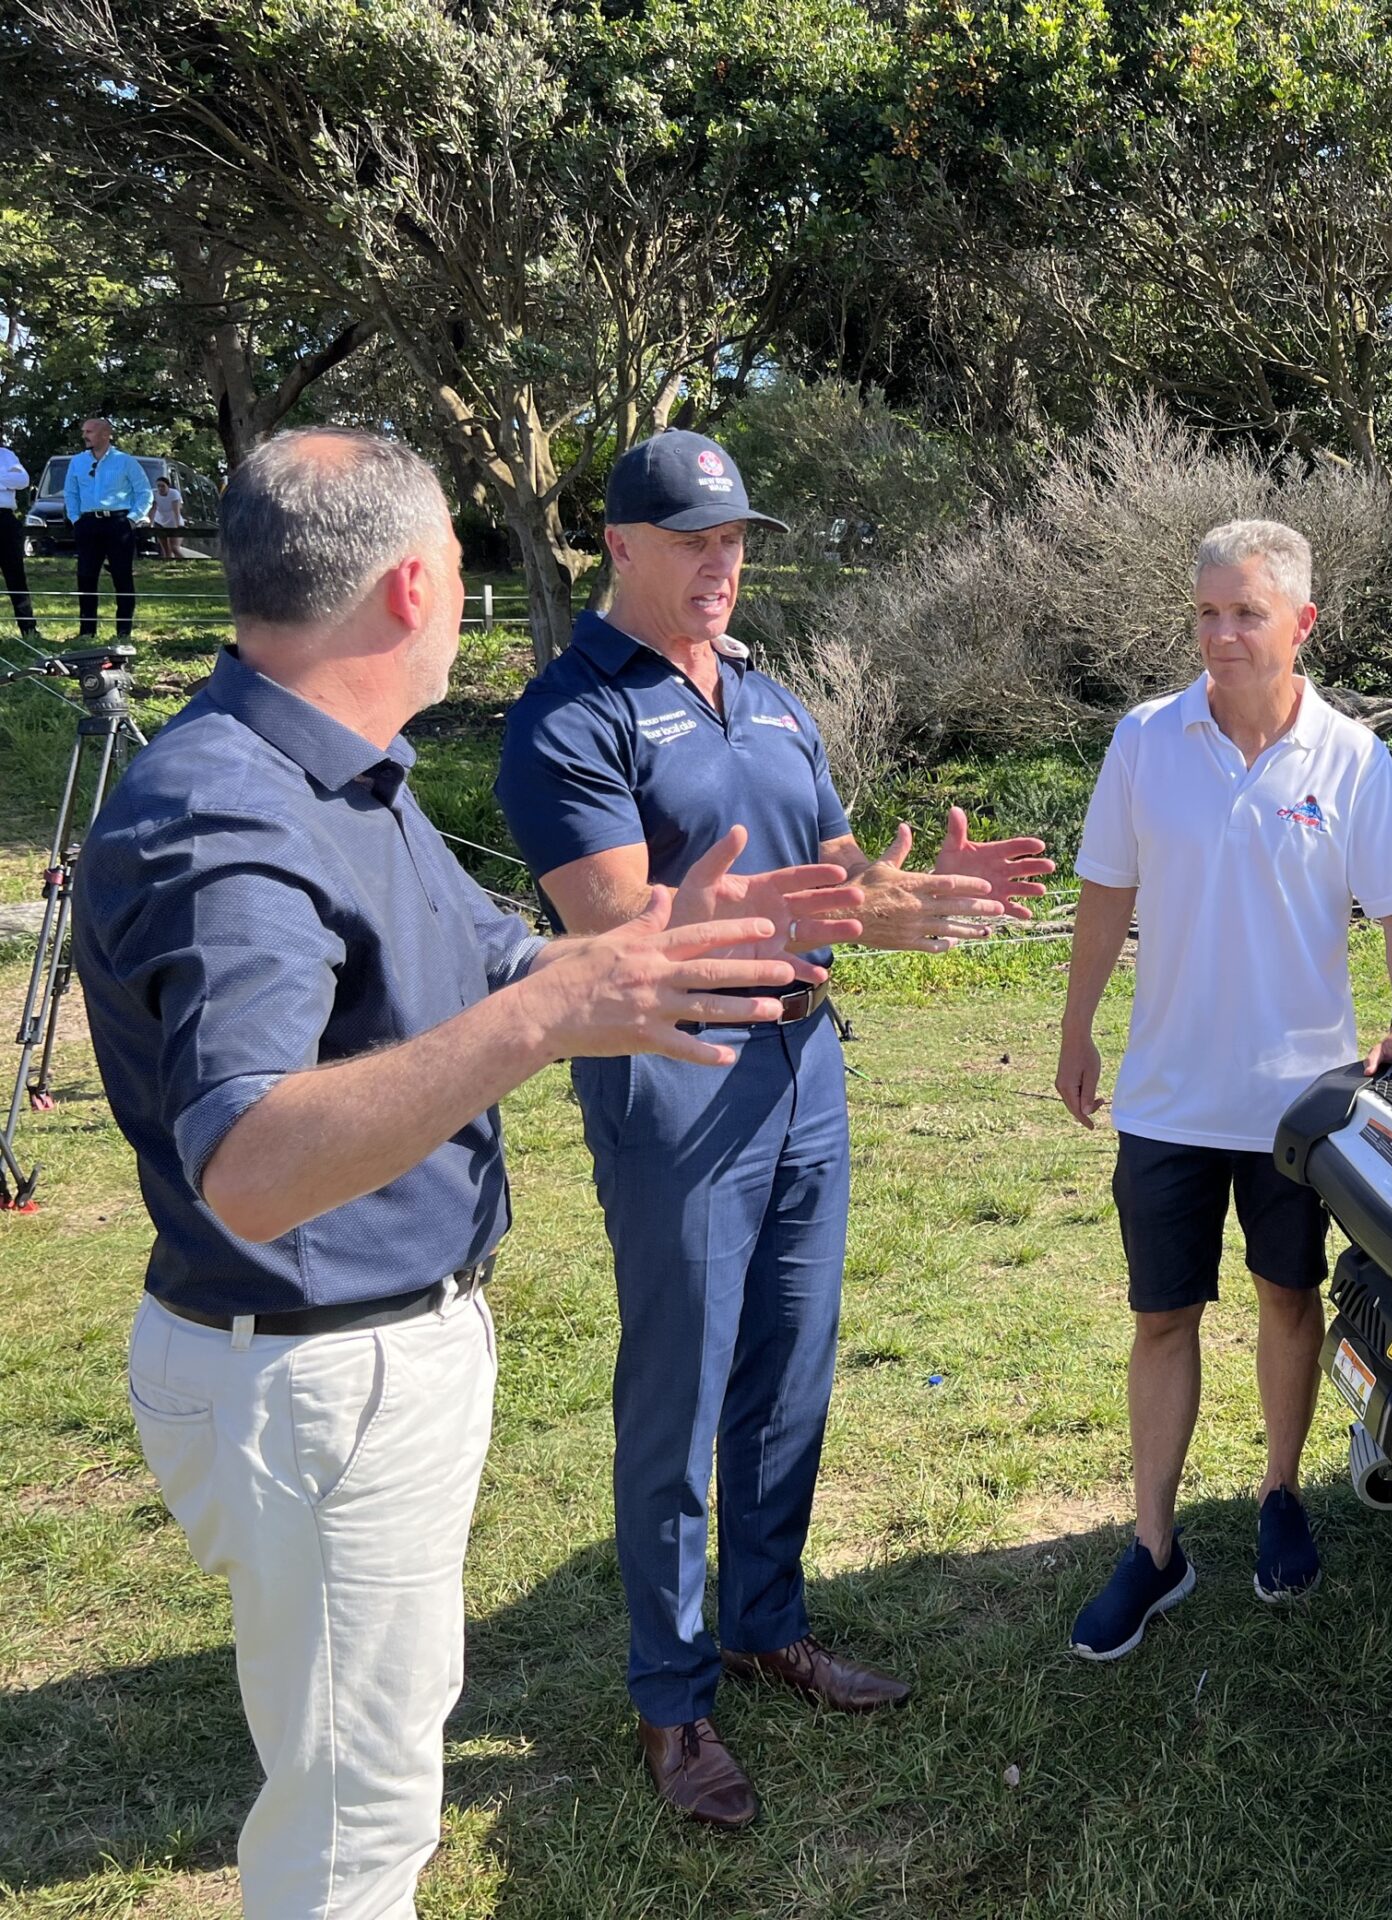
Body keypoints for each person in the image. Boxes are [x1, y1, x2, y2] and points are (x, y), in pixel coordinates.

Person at [74, 428, 823, 1920]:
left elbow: (485, 953)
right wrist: (558, 1010)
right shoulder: (231, 815)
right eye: (467, 560)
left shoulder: (345, 779)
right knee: (356, 1836)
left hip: (350, 1360)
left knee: (376, 1766)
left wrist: (626, 955)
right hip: (318, 1377)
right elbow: (253, 1160)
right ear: (417, 586)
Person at [494, 429, 1054, 1829]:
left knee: (790, 1374)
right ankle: (673, 1704)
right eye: (693, 540)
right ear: (620, 546)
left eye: (736, 539)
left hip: (806, 1074)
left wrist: (914, 902)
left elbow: (841, 879)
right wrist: (784, 917)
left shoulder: (773, 700)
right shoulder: (573, 714)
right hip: (679, 1077)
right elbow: (616, 924)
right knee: (678, 1397)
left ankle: (766, 1623)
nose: (721, 564)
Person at [1055, 518, 1392, 1661]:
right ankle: (1151, 1548)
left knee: (1288, 1301)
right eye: (1205, 613)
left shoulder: (1351, 757)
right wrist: (1077, 1025)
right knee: (1161, 1318)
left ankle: (1279, 1493)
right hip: (1167, 1097)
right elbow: (1102, 896)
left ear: (1301, 623)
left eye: (1245, 613)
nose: (1222, 634)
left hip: (1299, 1106)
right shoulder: (1144, 739)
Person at [62, 416, 151, 641]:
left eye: (89, 431)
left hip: (118, 522)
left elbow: (144, 492)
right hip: (88, 522)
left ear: (105, 434)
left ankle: (123, 632)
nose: (84, 436)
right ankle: (87, 632)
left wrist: (131, 519)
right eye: (84, 431)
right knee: (86, 576)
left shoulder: (125, 461)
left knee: (122, 576)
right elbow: (70, 493)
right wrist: (76, 519)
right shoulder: (77, 462)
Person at [0, 438, 37, 639]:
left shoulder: (6, 455)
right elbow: (12, 480)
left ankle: (29, 630)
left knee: (15, 576)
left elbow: (22, 481)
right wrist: (5, 480)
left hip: (5, 519)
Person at [150, 466, 185, 559]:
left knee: (174, 548)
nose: (160, 488)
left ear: (168, 486)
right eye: (158, 486)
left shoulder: (174, 494)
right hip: (160, 522)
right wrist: (150, 523)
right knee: (165, 550)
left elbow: (176, 510)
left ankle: (187, 563)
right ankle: (169, 566)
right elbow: (153, 509)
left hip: (173, 522)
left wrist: (178, 526)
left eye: (163, 486)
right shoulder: (154, 493)